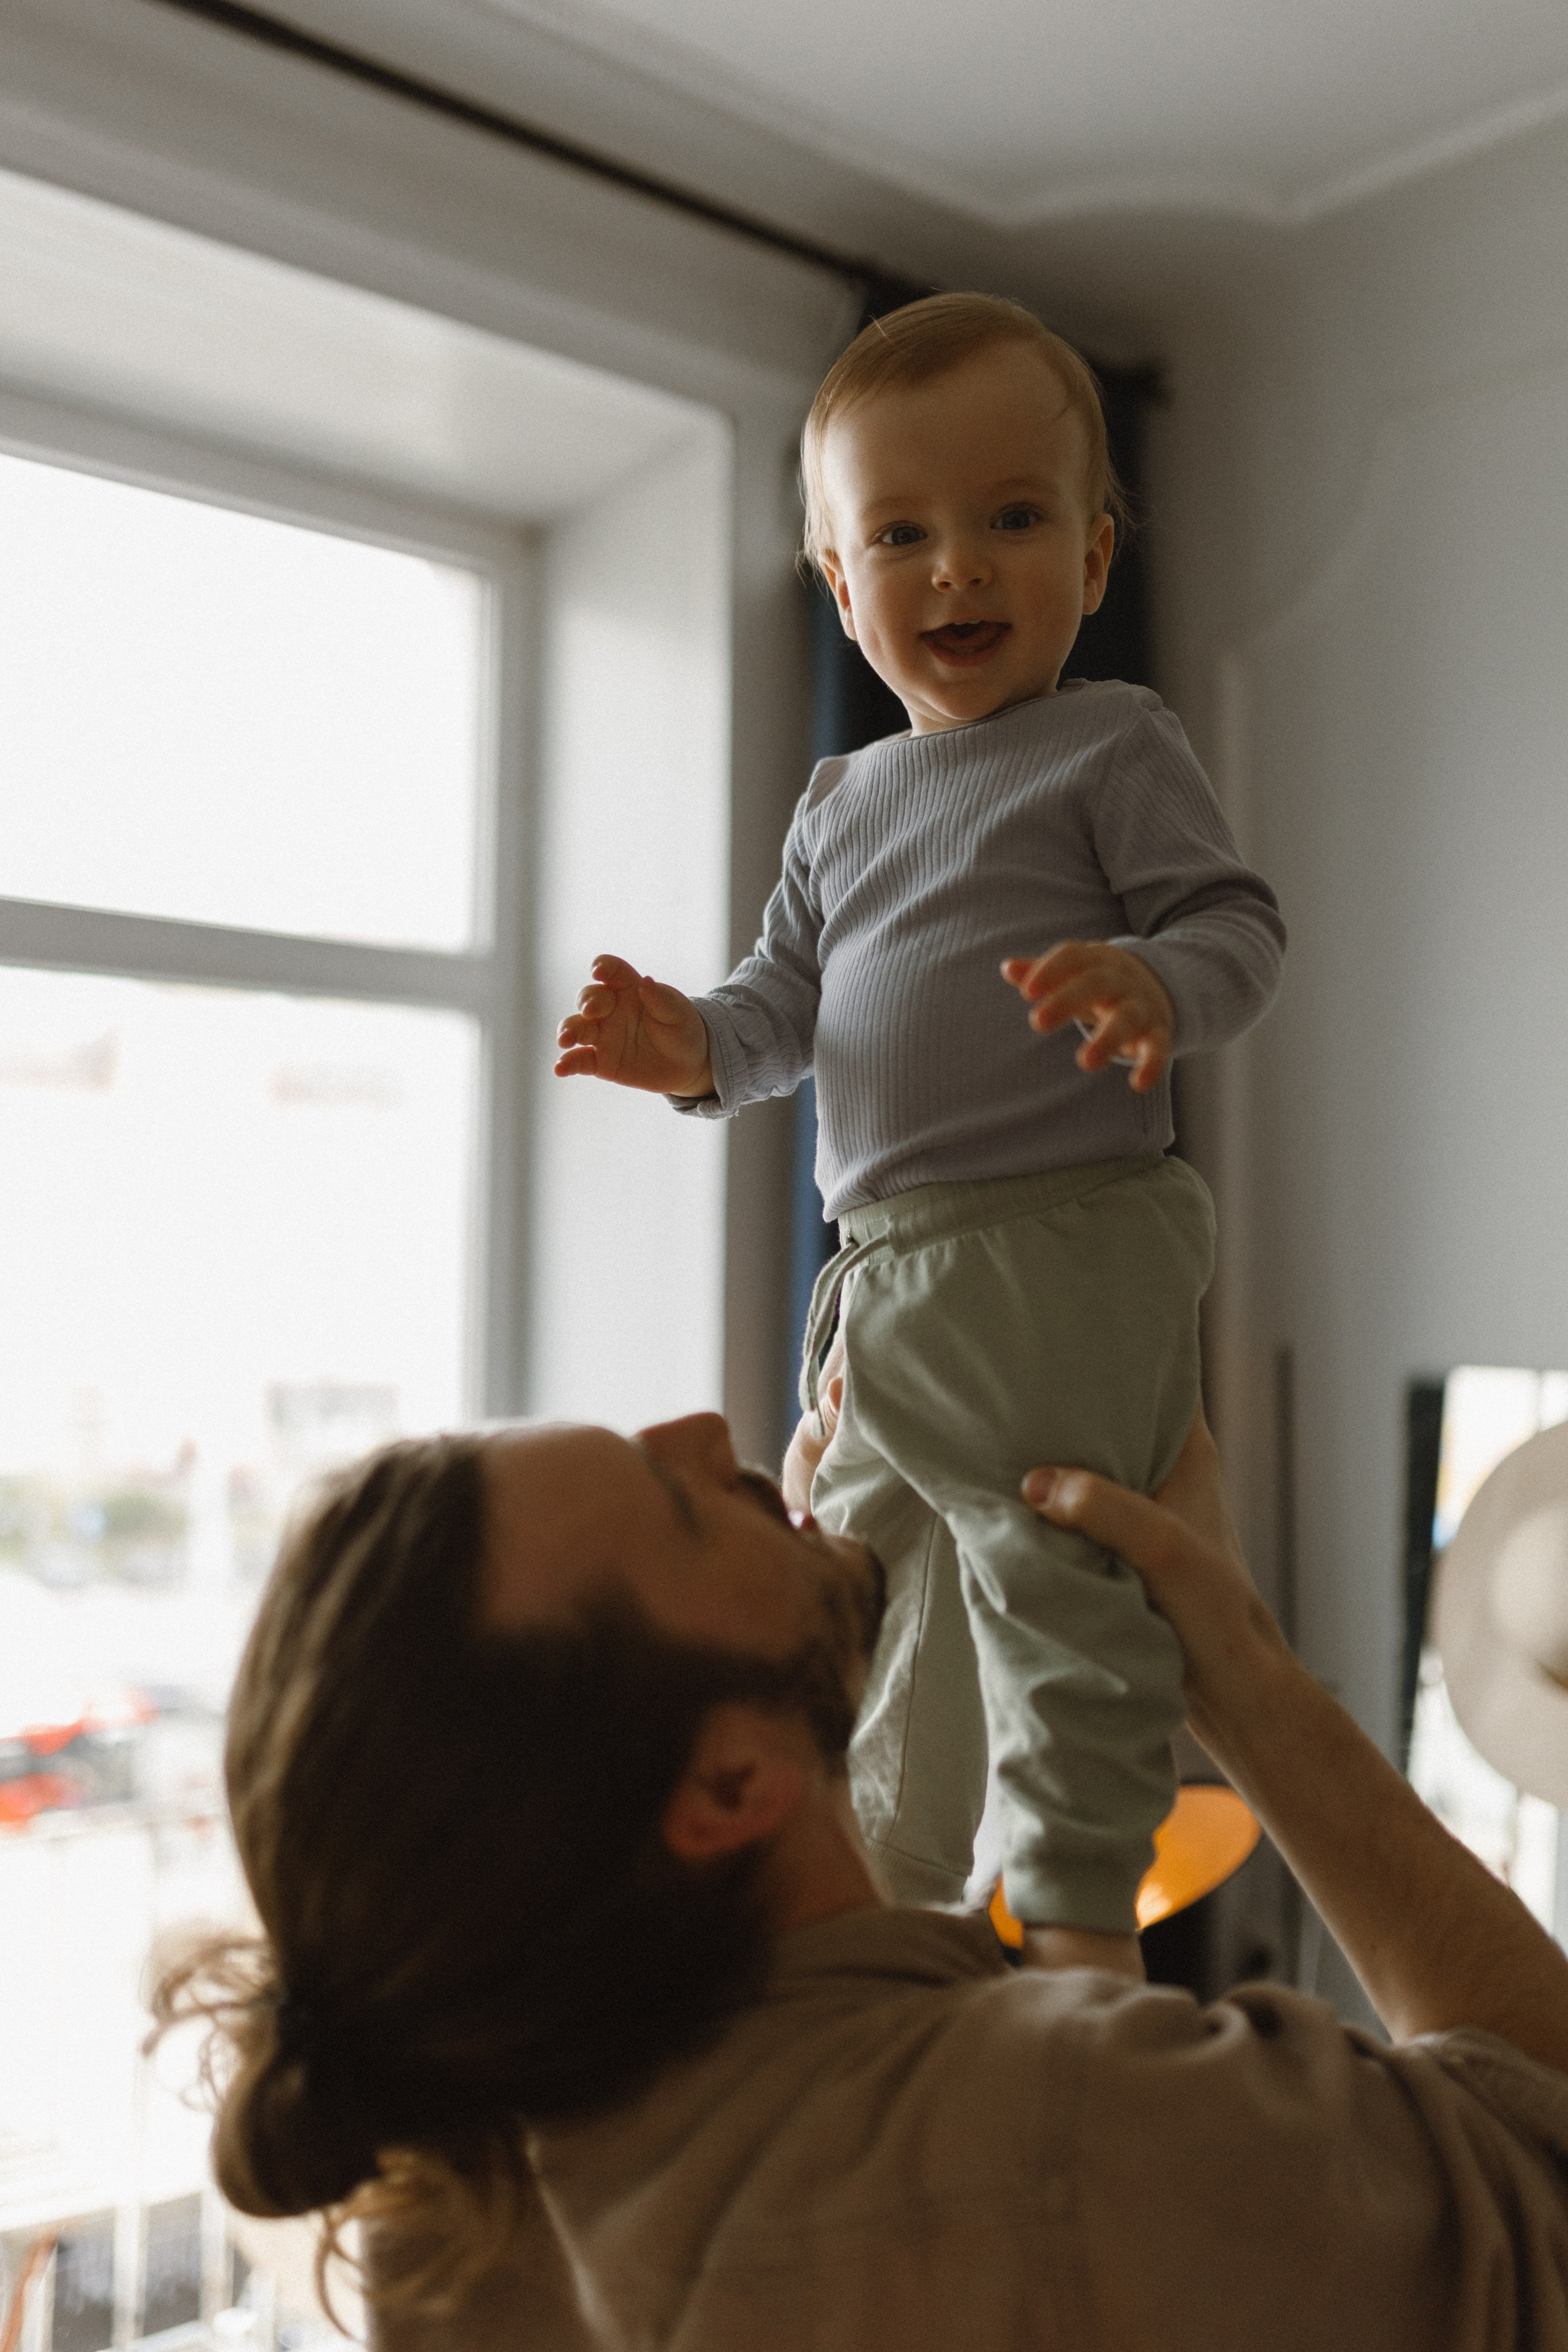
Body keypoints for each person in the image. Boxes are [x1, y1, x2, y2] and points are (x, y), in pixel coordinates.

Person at [162, 1397, 1568, 2351]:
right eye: (672, 1500)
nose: (707, 1431)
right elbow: (1544, 2142)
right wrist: (1242, 1673)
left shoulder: (458, 2237)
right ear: (727, 1788)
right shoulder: (1071, 2135)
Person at [553, 292, 1286, 1973]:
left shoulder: (1113, 744)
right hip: (886, 1272)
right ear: (840, 583)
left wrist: (1160, 988)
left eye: (1011, 522)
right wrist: (689, 1052)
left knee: (1049, 1566)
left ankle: (1087, 1926)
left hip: (1064, 1232)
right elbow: (775, 1016)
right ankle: (892, 1902)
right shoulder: (839, 804)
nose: (956, 570)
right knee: (862, 1586)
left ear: (1095, 563)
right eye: (902, 534)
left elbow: (1242, 931)